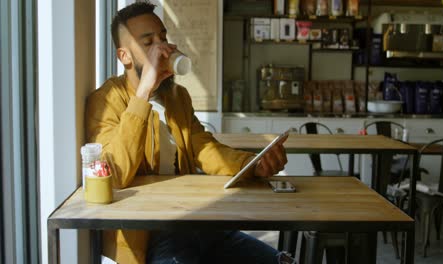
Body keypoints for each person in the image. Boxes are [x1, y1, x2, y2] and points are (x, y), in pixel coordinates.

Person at [85, 2, 292, 264]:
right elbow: (113, 174)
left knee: (280, 262)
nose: (162, 48)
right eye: (148, 43)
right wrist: (143, 94)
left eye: (163, 37)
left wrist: (253, 165)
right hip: (150, 234)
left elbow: (204, 148)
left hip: (195, 220)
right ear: (124, 56)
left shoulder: (177, 96)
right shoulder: (106, 101)